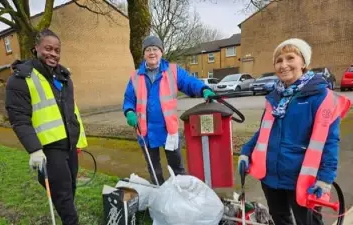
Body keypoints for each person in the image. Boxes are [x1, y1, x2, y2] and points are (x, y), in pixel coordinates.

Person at [238, 38, 351, 225]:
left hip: (303, 180)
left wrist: (324, 180)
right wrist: (246, 151)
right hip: (270, 177)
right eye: (279, 60)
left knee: (308, 222)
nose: (284, 65)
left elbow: (330, 142)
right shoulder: (274, 97)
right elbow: (263, 133)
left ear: (304, 63)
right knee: (280, 219)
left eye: (290, 58)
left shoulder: (321, 97)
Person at [5, 29, 88, 225]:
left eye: (57, 50)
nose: (53, 54)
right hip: (49, 148)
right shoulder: (21, 79)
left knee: (70, 187)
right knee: (63, 193)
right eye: (48, 48)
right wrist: (34, 149)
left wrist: (78, 142)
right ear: (36, 48)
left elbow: (72, 111)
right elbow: (19, 119)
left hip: (69, 144)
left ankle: (67, 213)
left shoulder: (63, 77)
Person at [122, 35, 216, 185]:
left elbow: (189, 82)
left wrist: (203, 89)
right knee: (154, 169)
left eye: (155, 49)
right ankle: (160, 195)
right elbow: (128, 99)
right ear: (144, 54)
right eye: (148, 50)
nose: (152, 53)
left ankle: (182, 193)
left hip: (168, 131)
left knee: (177, 167)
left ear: (161, 52)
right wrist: (129, 112)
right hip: (145, 131)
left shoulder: (173, 71)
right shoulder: (135, 76)